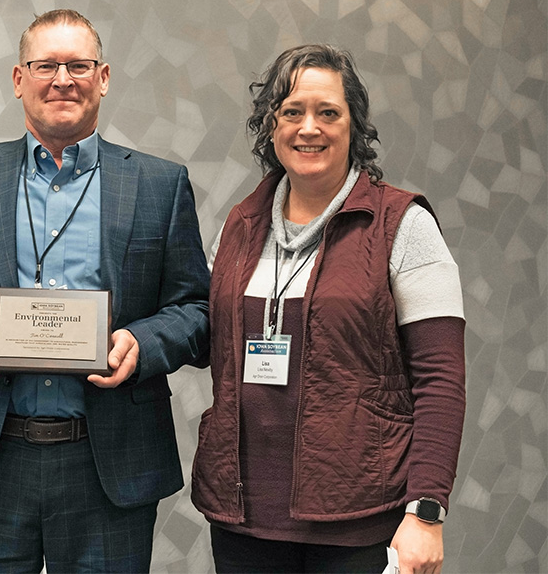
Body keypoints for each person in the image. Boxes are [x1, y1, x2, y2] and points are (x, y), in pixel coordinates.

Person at [0, 9, 210, 572]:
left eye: (78, 65)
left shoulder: (160, 185)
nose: (62, 79)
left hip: (107, 460)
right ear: (19, 79)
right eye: (45, 65)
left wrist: (143, 344)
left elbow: (195, 308)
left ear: (104, 77)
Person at [192, 44, 467, 574]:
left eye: (328, 112)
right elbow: (205, 338)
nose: (308, 128)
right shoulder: (239, 227)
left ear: (354, 126)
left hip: (361, 522)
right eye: (291, 112)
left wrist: (426, 511)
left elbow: (440, 379)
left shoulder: (403, 224)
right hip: (242, 520)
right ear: (270, 126)